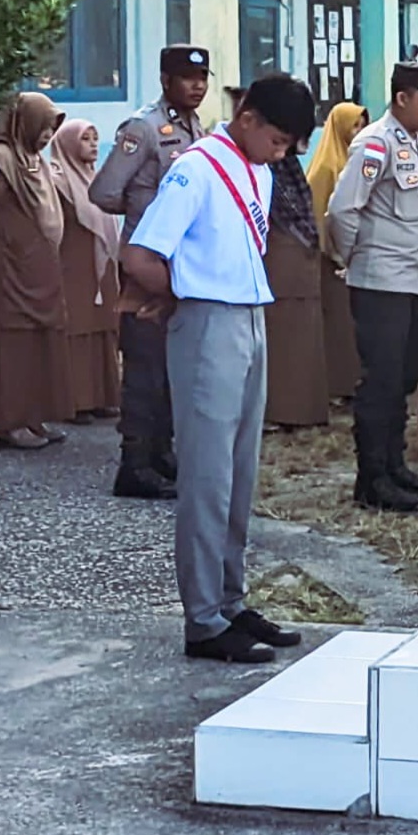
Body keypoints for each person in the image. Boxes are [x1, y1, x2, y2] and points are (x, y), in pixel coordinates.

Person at [121, 73, 316, 663]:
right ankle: (203, 618)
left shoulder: (256, 167)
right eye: (278, 140)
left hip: (250, 316)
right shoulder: (197, 167)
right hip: (208, 322)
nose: (281, 154)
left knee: (238, 473)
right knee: (206, 476)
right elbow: (139, 253)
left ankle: (230, 601)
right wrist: (181, 294)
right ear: (249, 117)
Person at [327, 62, 418, 513]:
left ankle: (394, 464)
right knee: (380, 380)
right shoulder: (374, 144)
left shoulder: (417, 143)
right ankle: (372, 478)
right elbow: (343, 211)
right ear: (402, 98)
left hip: (411, 279)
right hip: (381, 281)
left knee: (404, 373)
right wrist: (356, 258)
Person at [91, 44, 209, 499]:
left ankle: (162, 452)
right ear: (166, 80)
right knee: (144, 366)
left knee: (170, 366)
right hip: (145, 260)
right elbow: (103, 192)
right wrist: (147, 207)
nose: (197, 85)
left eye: (202, 78)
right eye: (186, 77)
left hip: (177, 261)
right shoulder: (142, 128)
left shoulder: (195, 126)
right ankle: (134, 464)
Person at [0, 93, 73, 450]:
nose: (47, 135)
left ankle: (32, 417)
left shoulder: (33, 160)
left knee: (36, 344)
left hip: (37, 268)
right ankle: (8, 424)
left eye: (51, 129)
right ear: (23, 122)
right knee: (9, 346)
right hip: (7, 268)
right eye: (42, 127)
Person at [50, 119, 122, 423]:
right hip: (72, 266)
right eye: (85, 139)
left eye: (95, 137)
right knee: (76, 331)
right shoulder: (57, 182)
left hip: (100, 267)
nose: (93, 144)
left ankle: (103, 396)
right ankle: (76, 402)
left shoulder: (95, 181)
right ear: (66, 143)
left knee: (103, 327)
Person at [263, 134, 330, 428]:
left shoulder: (288, 166)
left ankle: (303, 410)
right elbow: (280, 211)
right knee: (284, 341)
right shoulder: (269, 170)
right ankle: (282, 412)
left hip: (301, 259)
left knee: (302, 338)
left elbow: (301, 210)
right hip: (282, 262)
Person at [306, 102, 368, 400]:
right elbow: (319, 216)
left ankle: (350, 383)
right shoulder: (327, 167)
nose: (359, 132)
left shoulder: (355, 162)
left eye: (362, 126)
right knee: (338, 326)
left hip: (354, 256)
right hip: (332, 259)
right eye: (355, 125)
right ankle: (337, 386)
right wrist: (336, 254)